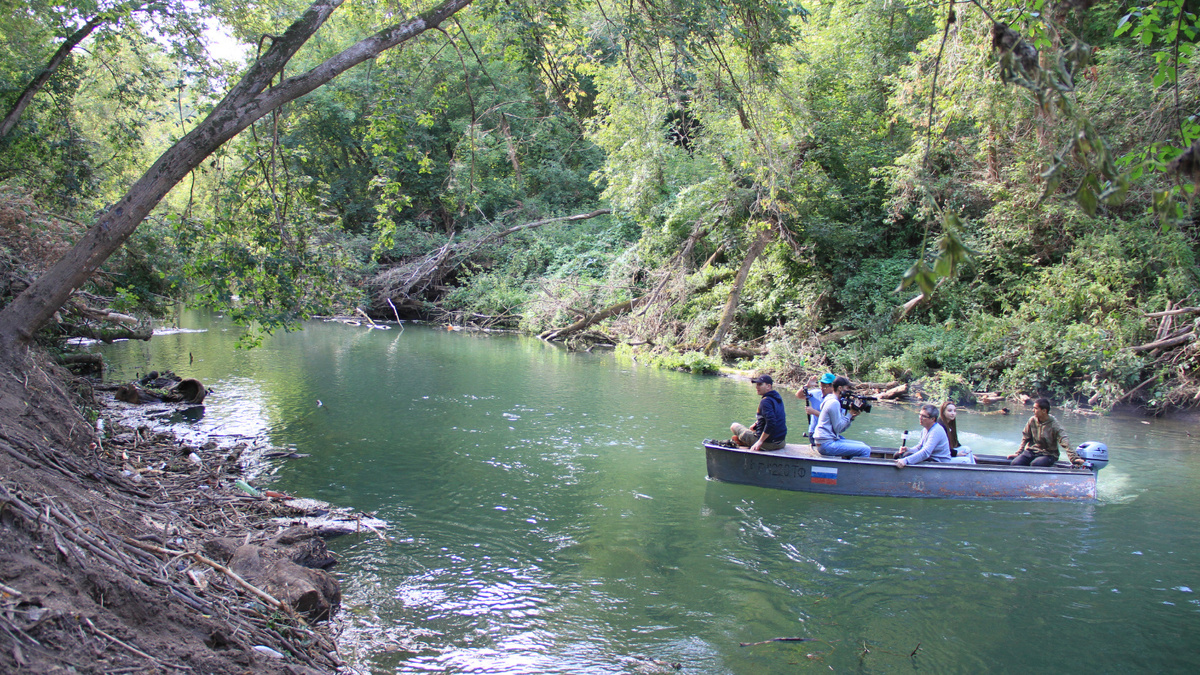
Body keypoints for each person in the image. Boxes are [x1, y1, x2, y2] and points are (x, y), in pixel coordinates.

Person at [1008, 398, 1083, 467]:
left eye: (1036, 408)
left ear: (1044, 411)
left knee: (1035, 464)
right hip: (1032, 451)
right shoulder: (1032, 420)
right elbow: (1025, 437)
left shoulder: (1054, 425)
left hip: (1048, 454)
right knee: (1015, 463)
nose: (1033, 410)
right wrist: (1018, 453)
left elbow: (1065, 441)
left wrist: (1074, 458)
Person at [811, 376, 872, 457]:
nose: (848, 390)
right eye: (847, 388)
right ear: (840, 388)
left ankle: (849, 467)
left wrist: (851, 417)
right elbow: (838, 428)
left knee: (862, 444)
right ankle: (855, 469)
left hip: (828, 441)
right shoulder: (833, 403)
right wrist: (849, 414)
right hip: (826, 444)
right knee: (865, 450)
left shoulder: (833, 400)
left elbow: (839, 429)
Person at [731, 374, 787, 452]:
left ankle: (751, 442)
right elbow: (774, 416)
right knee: (751, 430)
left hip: (769, 444)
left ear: (768, 386)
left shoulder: (765, 401)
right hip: (781, 442)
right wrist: (756, 424)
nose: (757, 387)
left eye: (760, 384)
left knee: (734, 426)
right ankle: (746, 441)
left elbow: (771, 422)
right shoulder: (777, 397)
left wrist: (759, 442)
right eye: (756, 384)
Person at [894, 404, 952, 468]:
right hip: (930, 457)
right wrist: (908, 449)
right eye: (920, 415)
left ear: (933, 419)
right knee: (897, 455)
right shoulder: (925, 429)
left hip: (939, 461)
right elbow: (920, 447)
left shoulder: (936, 431)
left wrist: (905, 460)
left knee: (907, 455)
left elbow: (926, 453)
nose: (920, 418)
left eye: (924, 416)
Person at [797, 372, 837, 438]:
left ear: (833, 387)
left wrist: (813, 412)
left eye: (825, 386)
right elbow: (799, 395)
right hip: (814, 432)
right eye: (821, 385)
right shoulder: (816, 393)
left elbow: (832, 419)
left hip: (829, 433)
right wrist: (807, 386)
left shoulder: (836, 400)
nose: (822, 388)